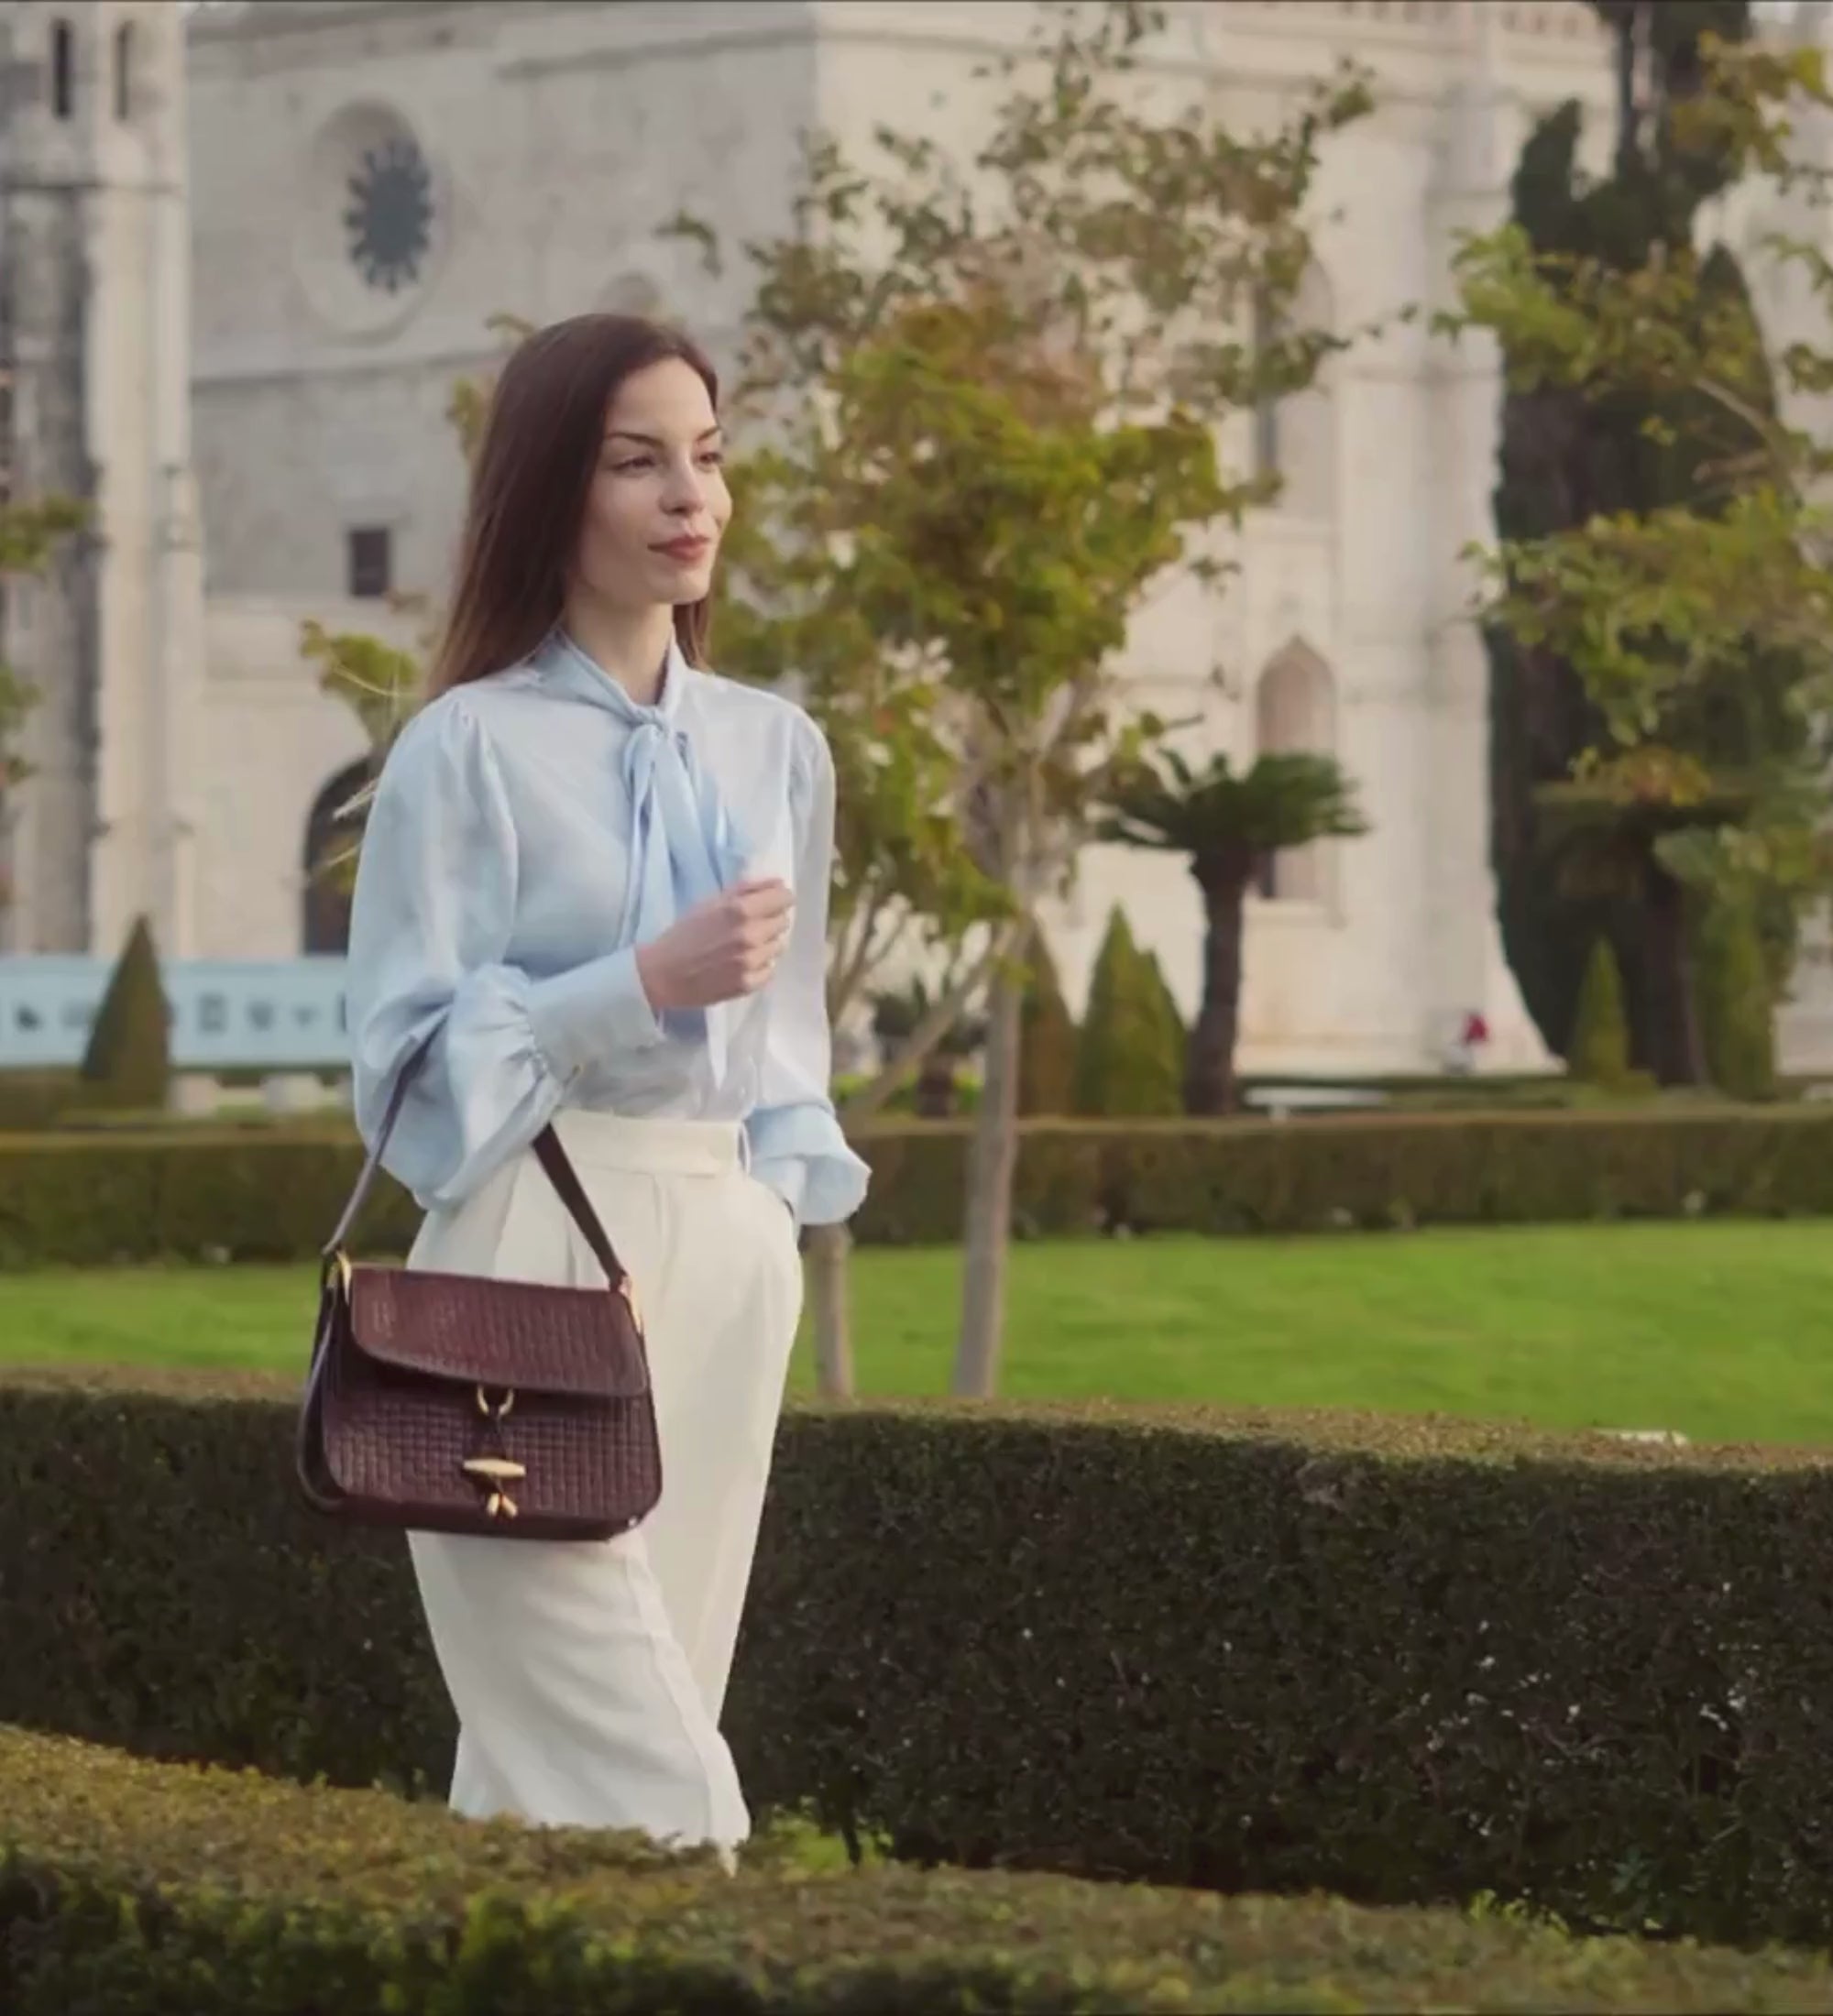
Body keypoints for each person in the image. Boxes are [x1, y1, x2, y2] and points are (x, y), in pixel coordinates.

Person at [344, 312, 870, 1863]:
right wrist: (635, 981)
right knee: (637, 1759)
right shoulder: (465, 750)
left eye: (707, 456)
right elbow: (407, 1089)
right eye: (639, 461)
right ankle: (742, 1948)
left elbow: (790, 1045)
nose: (690, 496)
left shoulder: (777, 749)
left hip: (723, 1248)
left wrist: (768, 1221)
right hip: (528, 1232)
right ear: (550, 490)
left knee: (576, 1768)